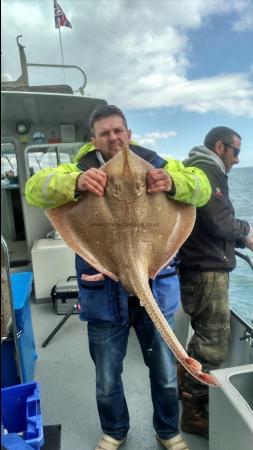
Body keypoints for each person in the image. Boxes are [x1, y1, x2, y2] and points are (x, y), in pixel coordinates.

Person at [25, 105, 211, 450]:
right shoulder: (79, 167)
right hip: (103, 295)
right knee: (107, 377)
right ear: (93, 139)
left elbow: (200, 187)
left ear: (129, 133)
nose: (113, 137)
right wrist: (74, 182)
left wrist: (173, 182)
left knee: (166, 375)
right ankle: (115, 431)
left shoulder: (156, 162)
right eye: (105, 133)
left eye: (118, 130)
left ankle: (168, 432)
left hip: (154, 283)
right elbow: (35, 189)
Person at [177, 126, 253, 439]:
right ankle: (193, 415)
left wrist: (235, 243)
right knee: (212, 346)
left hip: (200, 267)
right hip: (206, 273)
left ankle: (185, 396)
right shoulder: (206, 170)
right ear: (220, 147)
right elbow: (218, 221)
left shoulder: (200, 169)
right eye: (235, 151)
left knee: (202, 341)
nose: (238, 159)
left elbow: (204, 226)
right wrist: (246, 231)